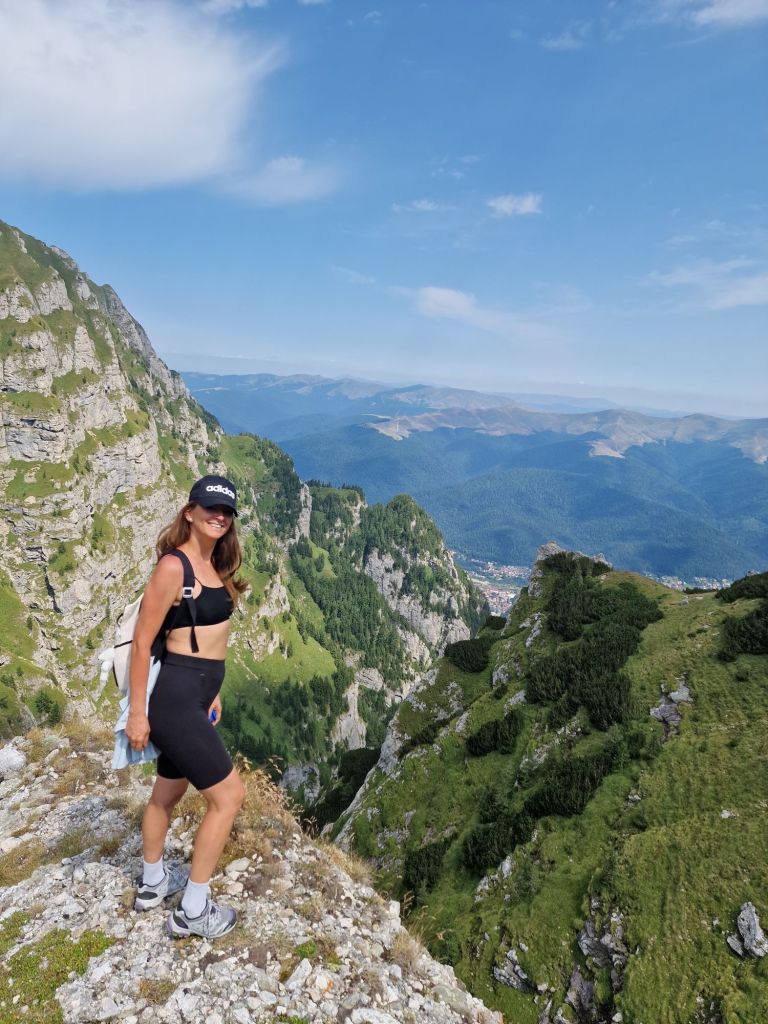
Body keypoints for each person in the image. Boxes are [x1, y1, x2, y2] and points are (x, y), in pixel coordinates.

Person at [125, 474, 248, 939]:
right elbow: (143, 642)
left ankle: (152, 883)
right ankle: (194, 910)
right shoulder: (174, 567)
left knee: (168, 793)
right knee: (229, 798)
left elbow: (203, 637)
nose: (220, 516)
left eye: (227, 511)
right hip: (175, 702)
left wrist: (211, 691)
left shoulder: (215, 564)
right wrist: (139, 713)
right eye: (211, 508)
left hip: (195, 696)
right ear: (190, 512)